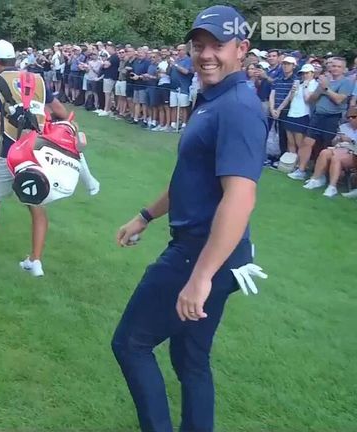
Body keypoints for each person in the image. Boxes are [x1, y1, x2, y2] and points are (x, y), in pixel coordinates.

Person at [112, 6, 268, 432]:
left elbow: (240, 198)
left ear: (242, 50)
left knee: (131, 344)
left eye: (219, 45)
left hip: (201, 254)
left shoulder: (237, 107)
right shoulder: (213, 98)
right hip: (212, 253)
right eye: (199, 46)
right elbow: (191, 178)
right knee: (190, 360)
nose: (207, 55)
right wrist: (146, 215)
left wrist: (201, 277)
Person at [0, 39, 97, 277]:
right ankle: (35, 260)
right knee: (36, 203)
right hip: (38, 152)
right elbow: (61, 112)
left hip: (12, 152)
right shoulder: (38, 80)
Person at [302, 106, 357, 197]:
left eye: (354, 117)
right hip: (340, 148)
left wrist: (350, 141)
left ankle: (332, 187)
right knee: (325, 152)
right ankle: (315, 179)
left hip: (353, 153)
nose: (351, 119)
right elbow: (333, 142)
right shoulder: (344, 127)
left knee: (336, 158)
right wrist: (338, 139)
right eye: (348, 117)